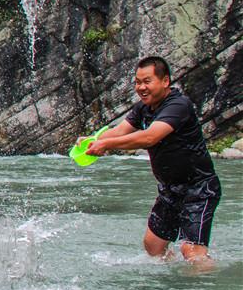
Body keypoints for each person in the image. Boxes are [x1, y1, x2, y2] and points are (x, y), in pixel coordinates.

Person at [86, 56, 221, 263]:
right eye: (138, 82)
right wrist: (92, 140)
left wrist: (106, 145)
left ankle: (206, 288)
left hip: (198, 188)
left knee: (192, 251)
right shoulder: (143, 108)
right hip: (170, 189)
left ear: (165, 81)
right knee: (153, 246)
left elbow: (150, 137)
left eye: (147, 81)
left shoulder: (178, 105)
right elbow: (121, 130)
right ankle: (172, 287)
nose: (141, 87)